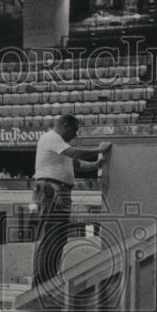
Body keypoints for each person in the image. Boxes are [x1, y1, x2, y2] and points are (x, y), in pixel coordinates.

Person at [31, 115, 109, 292]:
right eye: (74, 130)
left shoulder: (59, 145)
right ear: (65, 125)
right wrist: (98, 149)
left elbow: (77, 164)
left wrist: (97, 164)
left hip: (60, 191)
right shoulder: (51, 138)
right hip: (51, 189)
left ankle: (49, 279)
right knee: (50, 237)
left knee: (58, 238)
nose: (75, 134)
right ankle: (40, 283)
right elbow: (74, 153)